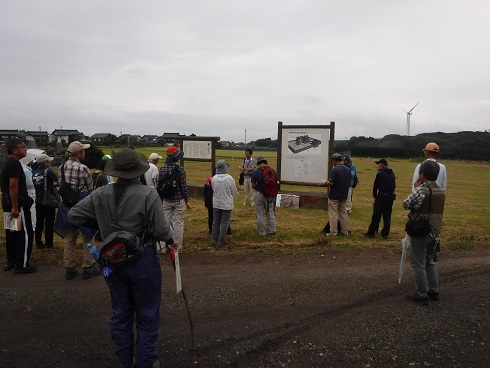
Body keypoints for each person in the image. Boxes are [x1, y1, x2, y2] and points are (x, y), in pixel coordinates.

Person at [68, 148, 177, 368]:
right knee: (147, 314)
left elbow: (73, 215)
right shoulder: (148, 194)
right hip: (143, 258)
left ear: (115, 171)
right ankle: (146, 361)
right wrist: (170, 239)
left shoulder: (100, 193)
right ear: (139, 171)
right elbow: (160, 230)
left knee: (120, 312)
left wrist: (100, 228)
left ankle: (125, 362)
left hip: (111, 260)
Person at [403, 160, 446, 305]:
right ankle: (433, 291)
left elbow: (406, 204)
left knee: (418, 263)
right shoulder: (441, 191)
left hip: (421, 230)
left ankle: (422, 294)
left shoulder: (420, 190)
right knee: (430, 261)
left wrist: (416, 187)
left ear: (421, 174)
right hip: (435, 231)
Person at [55, 141, 98, 280]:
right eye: (83, 151)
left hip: (67, 205)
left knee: (70, 238)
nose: (84, 153)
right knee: (88, 237)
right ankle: (88, 265)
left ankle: (70, 267)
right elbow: (90, 189)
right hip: (83, 205)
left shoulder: (62, 167)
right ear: (78, 153)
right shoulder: (83, 168)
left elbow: (61, 185)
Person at [1, 137, 36, 273]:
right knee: (24, 235)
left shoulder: (6, 163)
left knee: (13, 233)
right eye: (22, 146)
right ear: (14, 150)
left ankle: (12, 261)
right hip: (17, 204)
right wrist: (16, 206)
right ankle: (22, 264)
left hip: (7, 202)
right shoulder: (15, 164)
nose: (25, 149)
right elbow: (13, 185)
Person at [412, 142, 447, 260]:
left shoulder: (420, 166)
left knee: (421, 225)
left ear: (426, 152)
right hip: (437, 201)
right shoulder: (442, 167)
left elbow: (415, 187)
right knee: (434, 225)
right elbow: (443, 187)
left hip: (423, 199)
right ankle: (433, 251)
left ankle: (419, 251)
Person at [157, 146, 191, 249]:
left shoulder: (162, 168)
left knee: (165, 222)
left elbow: (159, 184)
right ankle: (177, 246)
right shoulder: (180, 169)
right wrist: (187, 200)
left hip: (166, 200)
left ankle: (163, 246)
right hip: (178, 199)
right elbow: (184, 186)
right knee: (178, 223)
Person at [364, 159, 396, 239]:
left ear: (382, 165)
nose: (377, 166)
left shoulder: (380, 174)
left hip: (382, 195)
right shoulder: (391, 173)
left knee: (376, 215)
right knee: (387, 215)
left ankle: (371, 232)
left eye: (378, 164)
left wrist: (375, 196)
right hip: (390, 196)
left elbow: (375, 186)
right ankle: (385, 233)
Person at [32, 154, 59, 249]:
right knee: (49, 222)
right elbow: (57, 180)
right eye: (48, 161)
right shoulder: (48, 171)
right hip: (48, 201)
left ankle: (38, 243)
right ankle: (49, 244)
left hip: (38, 200)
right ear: (44, 163)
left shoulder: (34, 173)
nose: (50, 163)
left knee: (39, 222)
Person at [211, 160, 237, 246]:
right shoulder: (229, 178)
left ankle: (214, 239)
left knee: (216, 221)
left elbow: (213, 189)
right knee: (224, 222)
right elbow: (234, 191)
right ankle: (221, 240)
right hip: (226, 204)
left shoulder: (214, 178)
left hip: (216, 203)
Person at [324, 153, 350, 237]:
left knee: (333, 214)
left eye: (332, 161)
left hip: (334, 195)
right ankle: (345, 231)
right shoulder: (347, 169)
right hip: (344, 195)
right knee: (343, 213)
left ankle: (333, 232)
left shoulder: (334, 170)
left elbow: (331, 183)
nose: (332, 162)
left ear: (334, 160)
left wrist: (326, 183)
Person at [251, 156, 276, 236]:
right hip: (270, 195)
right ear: (266, 162)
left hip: (260, 194)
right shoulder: (272, 171)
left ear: (258, 163)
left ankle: (262, 233)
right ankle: (271, 230)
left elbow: (253, 186)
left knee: (260, 214)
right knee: (270, 213)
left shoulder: (256, 172)